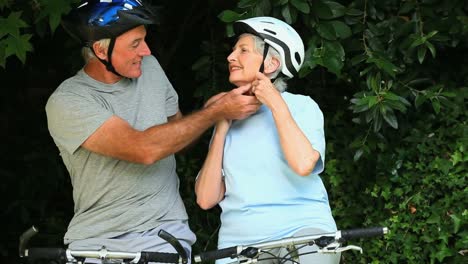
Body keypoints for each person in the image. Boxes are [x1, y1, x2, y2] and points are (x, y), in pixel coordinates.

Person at [45, 0, 260, 262]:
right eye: (135, 44)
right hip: (96, 239)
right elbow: (143, 149)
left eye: (144, 40)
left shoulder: (151, 69)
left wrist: (211, 112)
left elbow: (176, 139)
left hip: (163, 233)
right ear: (101, 50)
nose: (146, 51)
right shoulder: (69, 101)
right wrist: (214, 113)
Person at [195, 16, 340, 263]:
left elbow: (304, 164)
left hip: (303, 231)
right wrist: (221, 126)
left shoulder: (303, 107)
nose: (231, 57)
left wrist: (274, 102)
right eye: (232, 51)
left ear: (272, 63)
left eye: (243, 50)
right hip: (241, 242)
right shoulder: (230, 115)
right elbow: (206, 199)